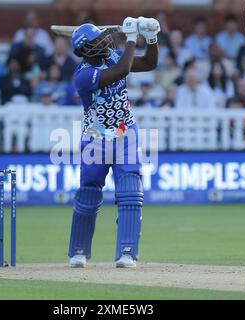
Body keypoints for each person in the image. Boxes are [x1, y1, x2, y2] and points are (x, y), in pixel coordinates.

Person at [67, 17, 159, 268]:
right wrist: (131, 38)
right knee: (88, 195)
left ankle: (127, 253)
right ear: (85, 50)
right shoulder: (84, 75)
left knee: (131, 193)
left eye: (101, 36)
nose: (103, 40)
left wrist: (151, 38)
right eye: (97, 40)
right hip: (96, 138)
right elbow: (122, 71)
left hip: (125, 133)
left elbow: (149, 63)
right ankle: (79, 251)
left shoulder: (112, 56)